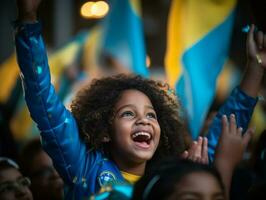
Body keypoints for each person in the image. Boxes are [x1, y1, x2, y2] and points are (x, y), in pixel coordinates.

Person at [14, 0, 265, 199]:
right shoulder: (83, 167)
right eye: (128, 114)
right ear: (104, 131)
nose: (143, 121)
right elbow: (43, 100)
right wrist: (28, 21)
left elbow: (216, 141)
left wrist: (255, 66)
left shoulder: (169, 178)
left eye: (151, 115)